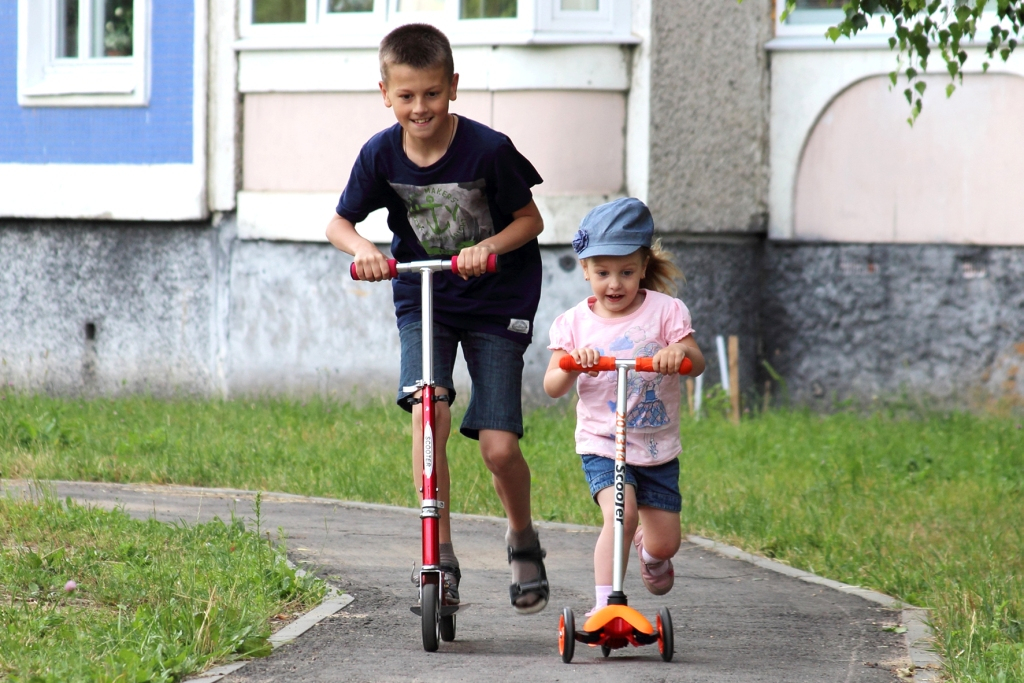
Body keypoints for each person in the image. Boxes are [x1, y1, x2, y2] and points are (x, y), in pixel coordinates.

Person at [325, 23, 549, 614]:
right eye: (406, 96)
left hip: (498, 303)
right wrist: (365, 250)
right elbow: (338, 224)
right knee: (431, 413)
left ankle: (522, 536)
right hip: (426, 297)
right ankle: (439, 557)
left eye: (430, 93)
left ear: (452, 87)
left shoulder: (488, 150)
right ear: (385, 93)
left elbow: (532, 222)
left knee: (499, 447)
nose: (419, 107)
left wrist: (490, 247)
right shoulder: (379, 154)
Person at [542, 197, 705, 615]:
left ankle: (650, 554)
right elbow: (552, 386)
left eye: (626, 272)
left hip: (656, 446)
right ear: (584, 270)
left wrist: (676, 354)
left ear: (644, 267)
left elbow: (697, 362)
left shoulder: (666, 312)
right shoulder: (574, 323)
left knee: (665, 543)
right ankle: (605, 607)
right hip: (602, 442)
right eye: (602, 273)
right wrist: (573, 365)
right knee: (621, 514)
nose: (614, 284)